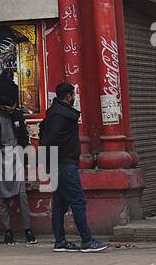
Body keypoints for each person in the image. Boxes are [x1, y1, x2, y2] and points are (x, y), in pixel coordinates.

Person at [41, 82, 108, 252]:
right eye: (73, 95)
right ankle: (87, 240)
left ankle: (60, 241)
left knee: (59, 203)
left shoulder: (52, 113)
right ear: (69, 96)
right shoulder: (62, 115)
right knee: (78, 200)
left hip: (56, 163)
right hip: (64, 164)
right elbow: (52, 139)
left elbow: (46, 138)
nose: (74, 98)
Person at [0, 96, 36, 244]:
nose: (12, 108)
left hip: (17, 159)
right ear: (1, 106)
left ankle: (28, 230)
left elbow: (24, 137)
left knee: (22, 196)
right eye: (9, 106)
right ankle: (7, 231)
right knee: (2, 199)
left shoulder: (18, 116)